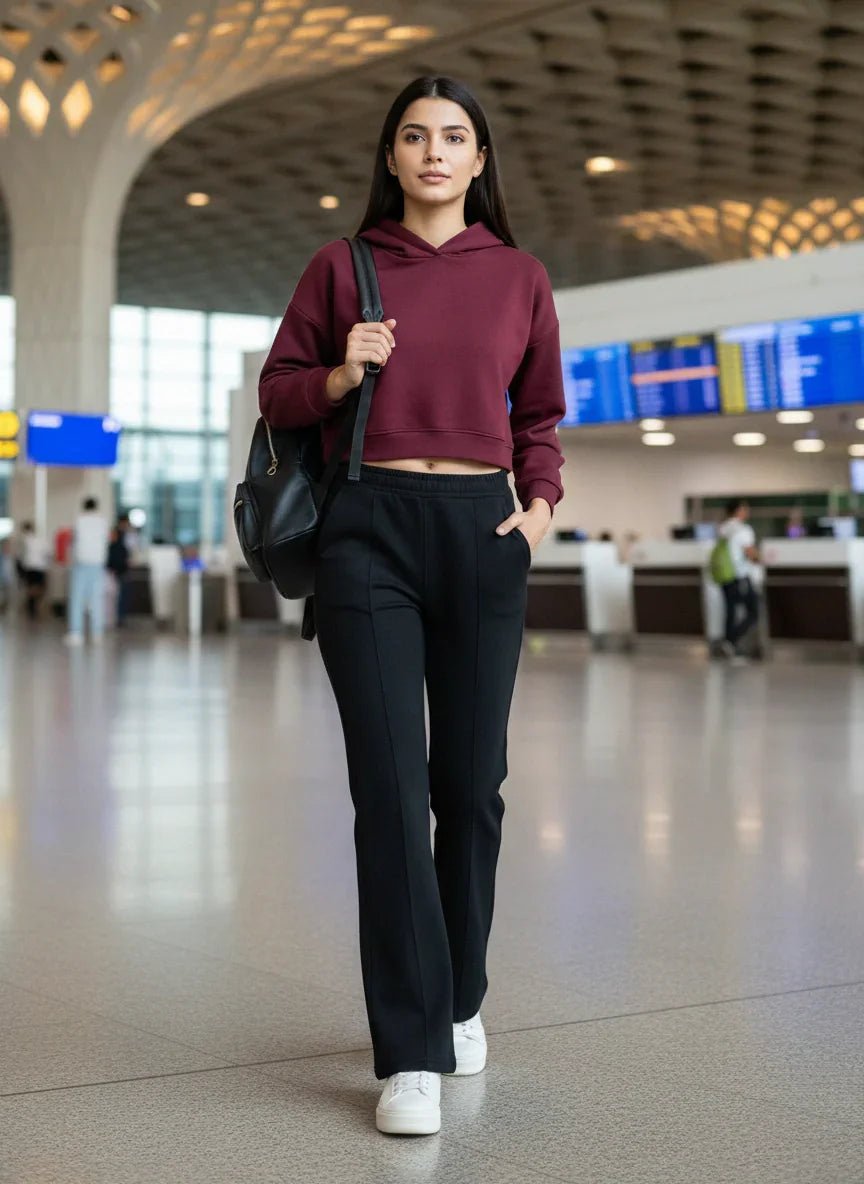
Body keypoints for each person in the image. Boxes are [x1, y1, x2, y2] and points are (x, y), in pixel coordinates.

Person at [259, 76, 565, 1136]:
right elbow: (278, 390)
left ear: (480, 161)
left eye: (455, 137)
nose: (434, 152)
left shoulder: (519, 274)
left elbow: (543, 415)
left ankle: (461, 993)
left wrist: (538, 508)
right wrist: (343, 372)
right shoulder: (342, 267)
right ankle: (412, 1050)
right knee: (389, 792)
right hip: (368, 533)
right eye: (414, 137)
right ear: (391, 157)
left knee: (469, 786)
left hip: (482, 533)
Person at [719, 499, 760, 661]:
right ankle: (730, 641)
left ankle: (728, 643)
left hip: (724, 574)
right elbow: (751, 554)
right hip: (740, 575)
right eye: (745, 509)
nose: (747, 512)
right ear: (738, 510)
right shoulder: (743, 529)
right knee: (753, 611)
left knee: (730, 610)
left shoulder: (722, 528)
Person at [65, 496, 109, 646]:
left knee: (77, 599)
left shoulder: (79, 520)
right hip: (98, 564)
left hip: (81, 563)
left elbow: (73, 541)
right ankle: (97, 633)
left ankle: (76, 633)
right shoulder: (103, 522)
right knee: (97, 599)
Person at [18, 522, 49, 621]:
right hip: (37, 567)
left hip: (31, 568)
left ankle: (31, 607)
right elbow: (47, 552)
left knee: (33, 588)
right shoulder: (35, 540)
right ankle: (32, 607)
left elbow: (21, 556)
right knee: (36, 588)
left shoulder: (26, 540)